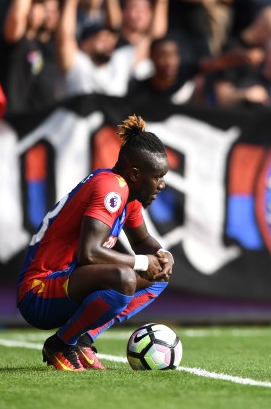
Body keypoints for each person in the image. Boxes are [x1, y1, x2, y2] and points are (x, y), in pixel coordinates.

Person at [17, 115, 173, 371]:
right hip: (39, 292)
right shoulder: (111, 188)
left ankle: (82, 341)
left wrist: (162, 255)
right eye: (158, 176)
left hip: (67, 283)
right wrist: (144, 261)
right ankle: (60, 344)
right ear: (135, 174)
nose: (162, 184)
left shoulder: (128, 194)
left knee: (159, 276)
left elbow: (143, 240)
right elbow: (89, 252)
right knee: (124, 278)